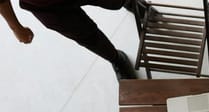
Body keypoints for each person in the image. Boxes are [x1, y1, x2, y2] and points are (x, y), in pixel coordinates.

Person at [0, 0, 140, 80]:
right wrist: (16, 27)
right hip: (45, 4)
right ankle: (116, 59)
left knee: (114, 0)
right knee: (84, 34)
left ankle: (131, 3)